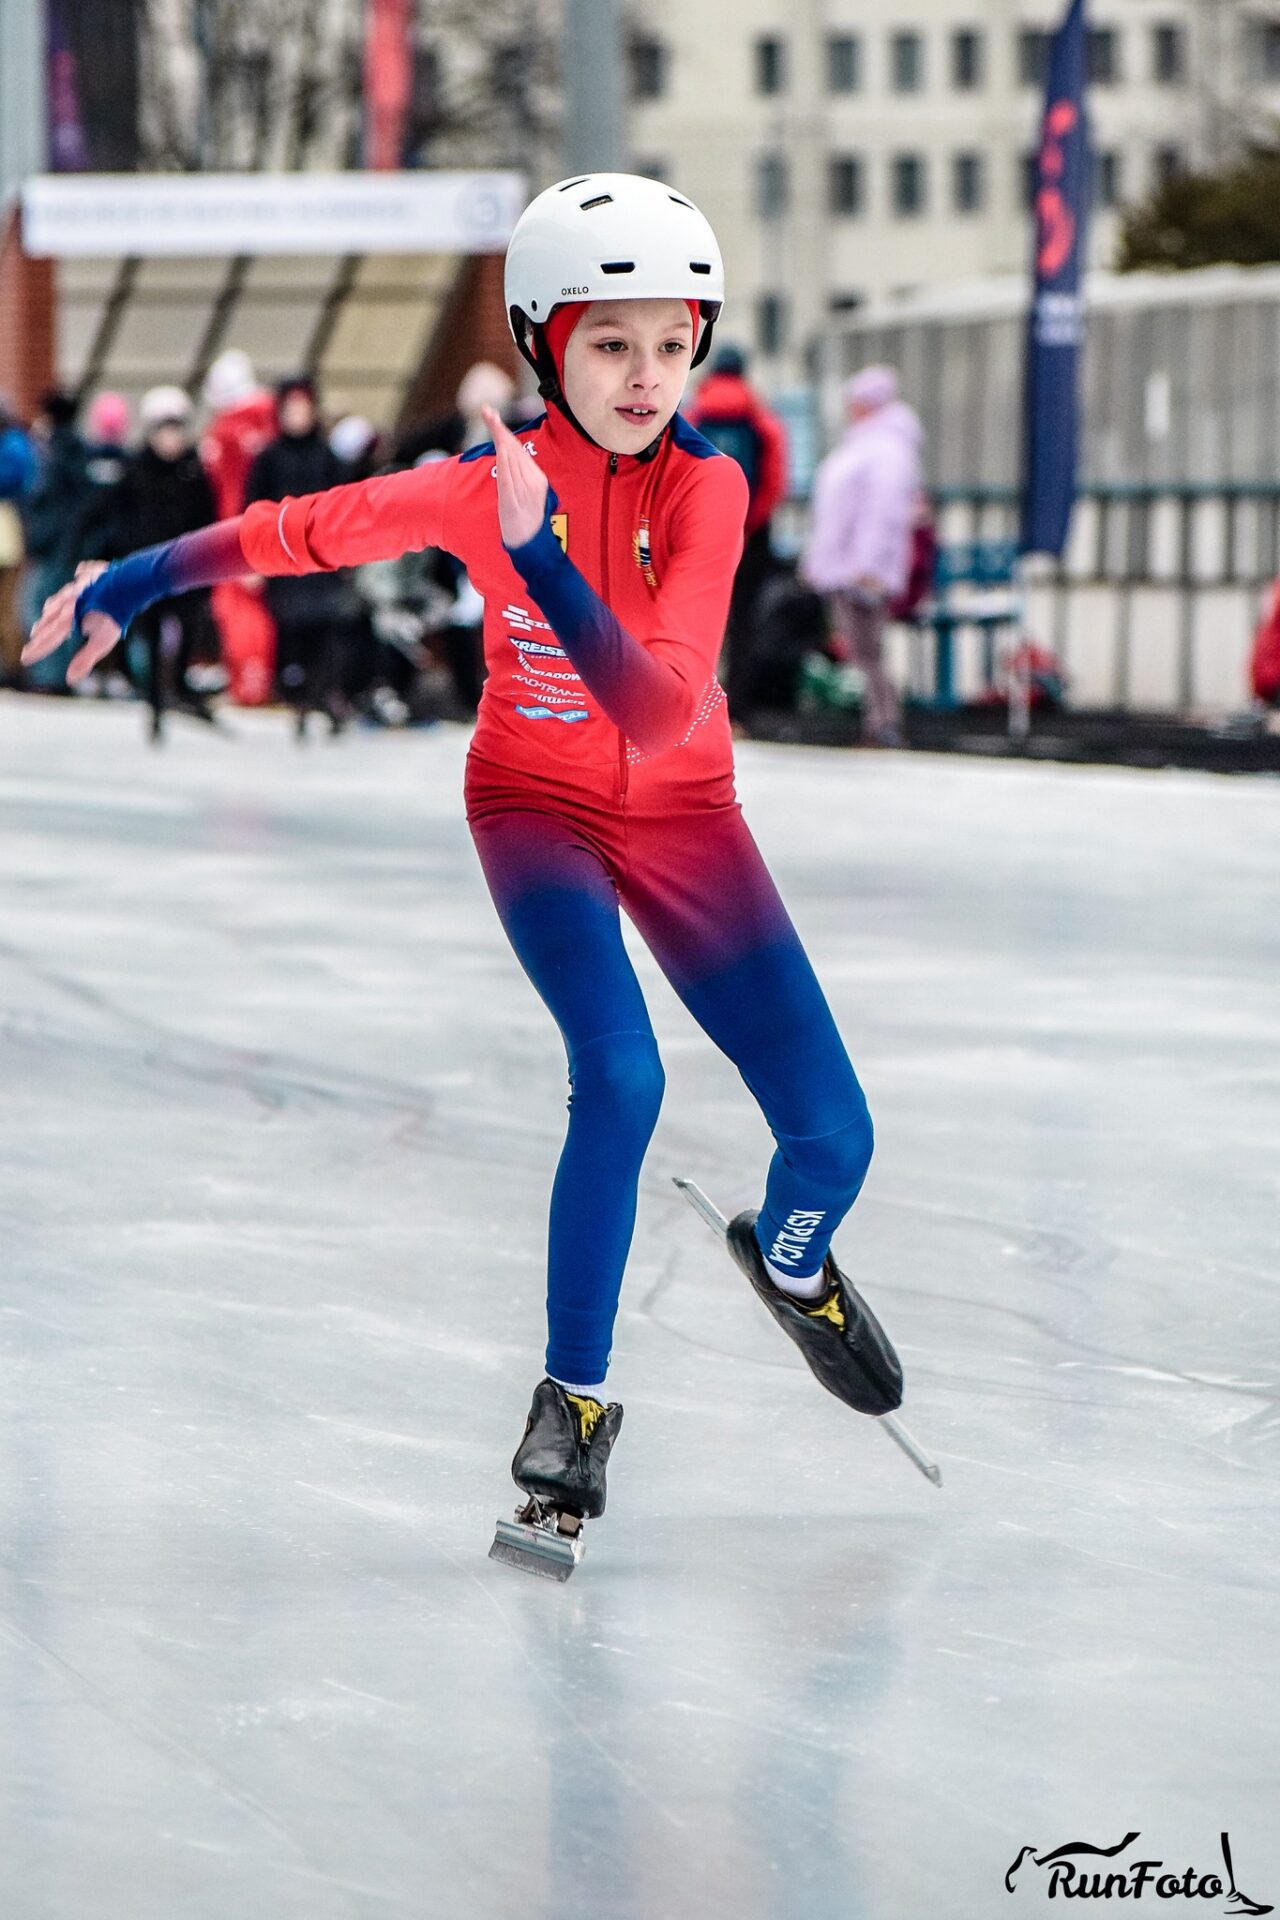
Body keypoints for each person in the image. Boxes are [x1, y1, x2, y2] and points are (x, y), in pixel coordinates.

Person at [25, 174, 903, 1553]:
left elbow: (660, 710)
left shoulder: (710, 487)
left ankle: (791, 1266)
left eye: (673, 343)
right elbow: (297, 530)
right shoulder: (473, 488)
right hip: (533, 809)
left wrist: (536, 557)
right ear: (545, 342)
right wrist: (130, 581)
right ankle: (573, 1403)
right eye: (611, 343)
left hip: (687, 816)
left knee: (835, 1139)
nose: (648, 376)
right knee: (621, 1074)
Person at [803, 365, 924, 747]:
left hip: (859, 569)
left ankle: (883, 723)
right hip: (849, 565)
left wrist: (867, 565)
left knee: (868, 650)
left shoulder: (884, 449)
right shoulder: (870, 445)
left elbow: (882, 514)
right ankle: (880, 722)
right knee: (864, 650)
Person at [245, 375, 362, 738]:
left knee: (327, 634)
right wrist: (252, 557)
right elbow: (253, 508)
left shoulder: (327, 456)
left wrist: (348, 552)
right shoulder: (268, 458)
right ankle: (299, 700)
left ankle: (324, 696)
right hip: (284, 560)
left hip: (322, 559)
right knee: (292, 634)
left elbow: (344, 505)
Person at [109, 386, 220, 740]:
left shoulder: (194, 471)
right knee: (151, 631)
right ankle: (154, 698)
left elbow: (208, 516)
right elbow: (115, 515)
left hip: (187, 567)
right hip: (149, 567)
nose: (171, 440)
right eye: (164, 431)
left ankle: (181, 685)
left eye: (176, 431)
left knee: (188, 624)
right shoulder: (137, 470)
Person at [686, 344, 788, 723]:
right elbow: (775, 479)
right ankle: (737, 710)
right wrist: (749, 521)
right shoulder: (761, 418)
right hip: (752, 534)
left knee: (698, 617)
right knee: (744, 621)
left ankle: (694, 705)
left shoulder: (694, 414)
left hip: (700, 530)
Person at [200, 349, 277, 705]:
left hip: (237, 534)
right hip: (275, 529)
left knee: (238, 609)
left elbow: (226, 493)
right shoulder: (273, 422)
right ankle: (258, 681)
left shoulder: (225, 434)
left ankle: (248, 685)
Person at [21, 389, 94, 690]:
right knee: (59, 607)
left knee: (42, 607)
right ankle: (61, 673)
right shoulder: (74, 451)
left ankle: (52, 675)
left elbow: (50, 504)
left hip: (55, 546)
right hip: (64, 544)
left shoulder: (57, 453)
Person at [0, 397, 36, 686]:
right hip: (10, 538)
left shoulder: (14, 445)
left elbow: (16, 479)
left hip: (9, 540)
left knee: (7, 608)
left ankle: (15, 668)